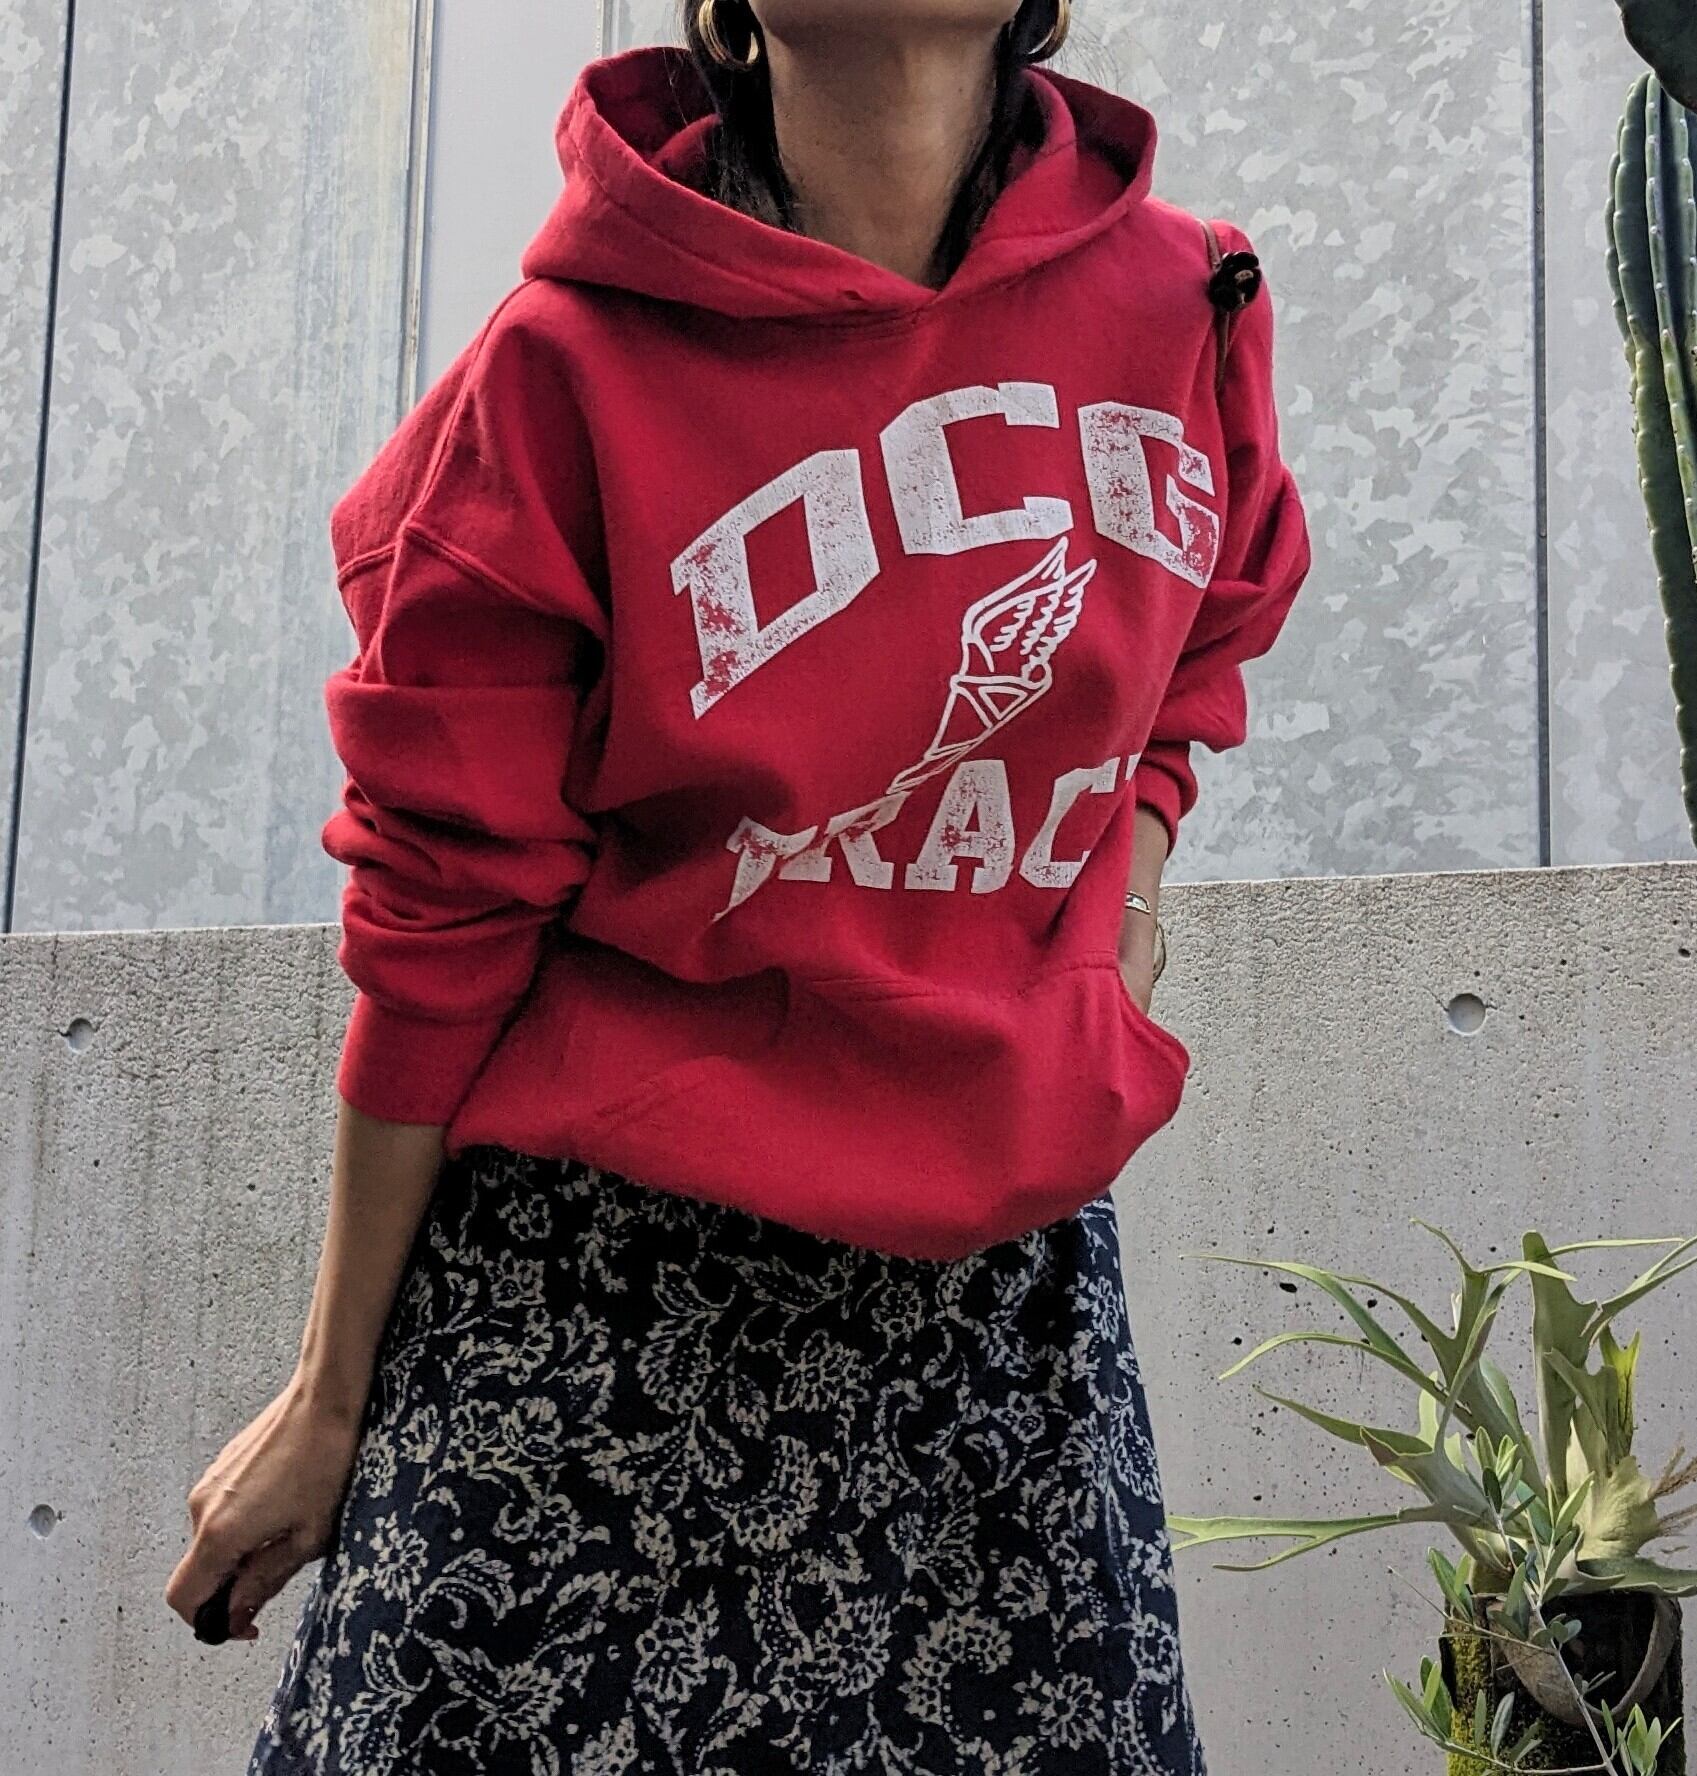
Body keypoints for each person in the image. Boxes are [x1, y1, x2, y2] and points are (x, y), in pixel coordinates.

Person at [165, 2, 1311, 1770]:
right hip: (602, 1303)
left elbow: (1199, 648)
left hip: (995, 1319)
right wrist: (334, 1397)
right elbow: (441, 914)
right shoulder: (562, 368)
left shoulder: (1185, 303)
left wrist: (1120, 932)